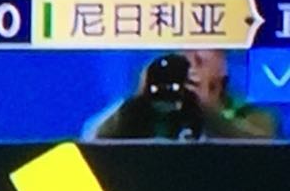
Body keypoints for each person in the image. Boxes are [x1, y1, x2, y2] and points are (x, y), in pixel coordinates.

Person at [87, 51, 279, 142]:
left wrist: (207, 111)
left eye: (199, 60)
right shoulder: (144, 109)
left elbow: (264, 146)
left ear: (222, 67)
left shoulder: (249, 113)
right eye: (183, 57)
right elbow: (94, 139)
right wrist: (140, 100)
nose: (189, 66)